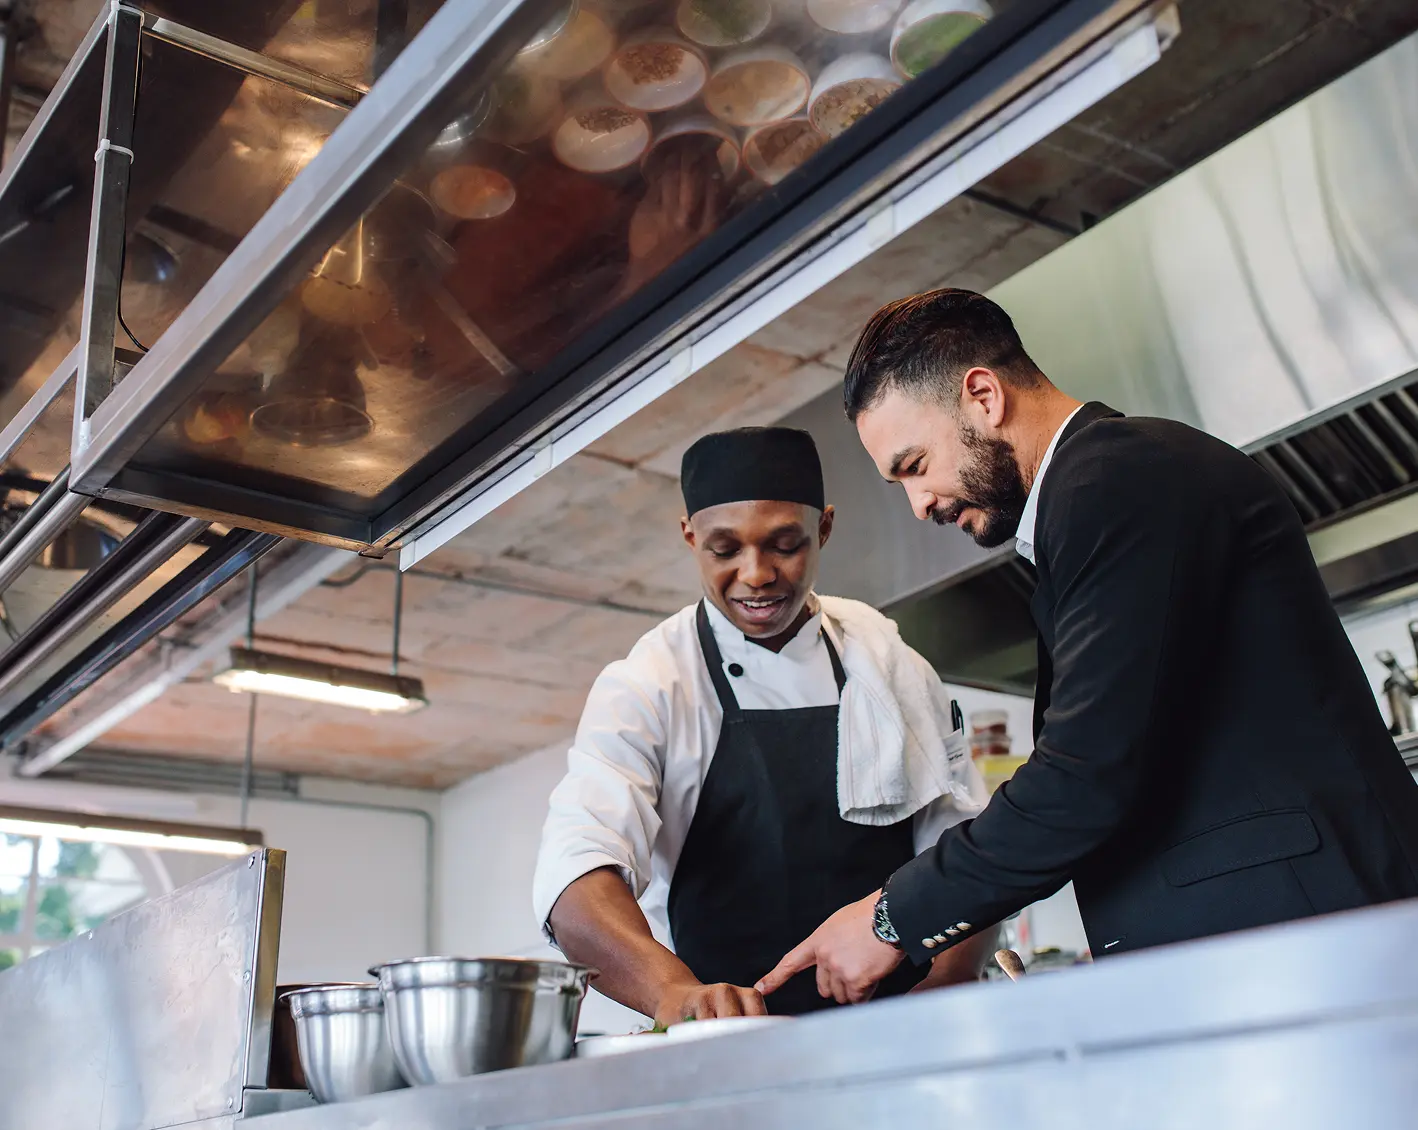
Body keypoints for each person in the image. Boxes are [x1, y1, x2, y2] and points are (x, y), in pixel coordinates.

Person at [758, 288, 1418, 1005]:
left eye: (914, 465)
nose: (918, 506)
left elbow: (1086, 774)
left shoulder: (1119, 479)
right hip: (1270, 954)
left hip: (1304, 949)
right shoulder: (1094, 499)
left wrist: (891, 918)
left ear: (982, 395)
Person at [534, 426, 991, 1024]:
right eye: (725, 550)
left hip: (904, 1026)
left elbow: (962, 846)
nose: (756, 575)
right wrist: (672, 993)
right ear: (689, 536)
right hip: (733, 1037)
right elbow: (576, 876)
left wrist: (950, 980)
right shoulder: (651, 683)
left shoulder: (886, 659)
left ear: (823, 528)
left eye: (784, 544)